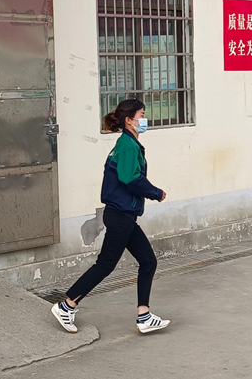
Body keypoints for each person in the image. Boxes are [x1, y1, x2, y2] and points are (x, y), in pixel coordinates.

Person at [51, 99, 171, 335]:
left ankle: (144, 316)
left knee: (148, 261)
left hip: (124, 215)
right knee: (105, 264)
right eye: (142, 114)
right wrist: (155, 192)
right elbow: (130, 178)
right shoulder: (127, 145)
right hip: (120, 216)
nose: (145, 119)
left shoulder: (128, 143)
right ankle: (66, 306)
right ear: (129, 120)